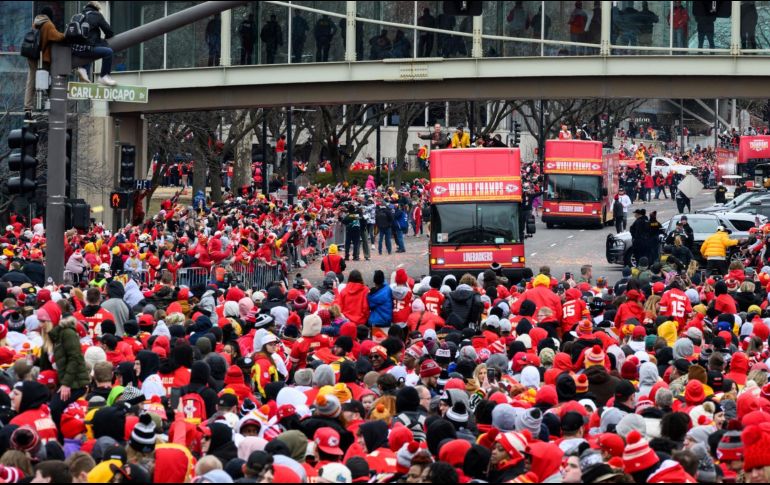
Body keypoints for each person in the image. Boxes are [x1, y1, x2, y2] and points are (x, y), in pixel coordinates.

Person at [23, 6, 65, 120]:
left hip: (32, 56)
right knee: (48, 80)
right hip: (42, 58)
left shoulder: (36, 22)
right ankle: (55, 106)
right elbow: (58, 37)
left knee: (31, 81)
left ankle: (28, 109)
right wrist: (66, 34)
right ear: (50, 15)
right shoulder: (48, 24)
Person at [71, 1, 116, 86]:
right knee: (108, 52)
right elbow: (109, 31)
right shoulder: (96, 15)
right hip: (87, 49)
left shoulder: (78, 16)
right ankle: (104, 76)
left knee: (92, 44)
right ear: (98, 8)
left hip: (75, 49)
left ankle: (83, 69)